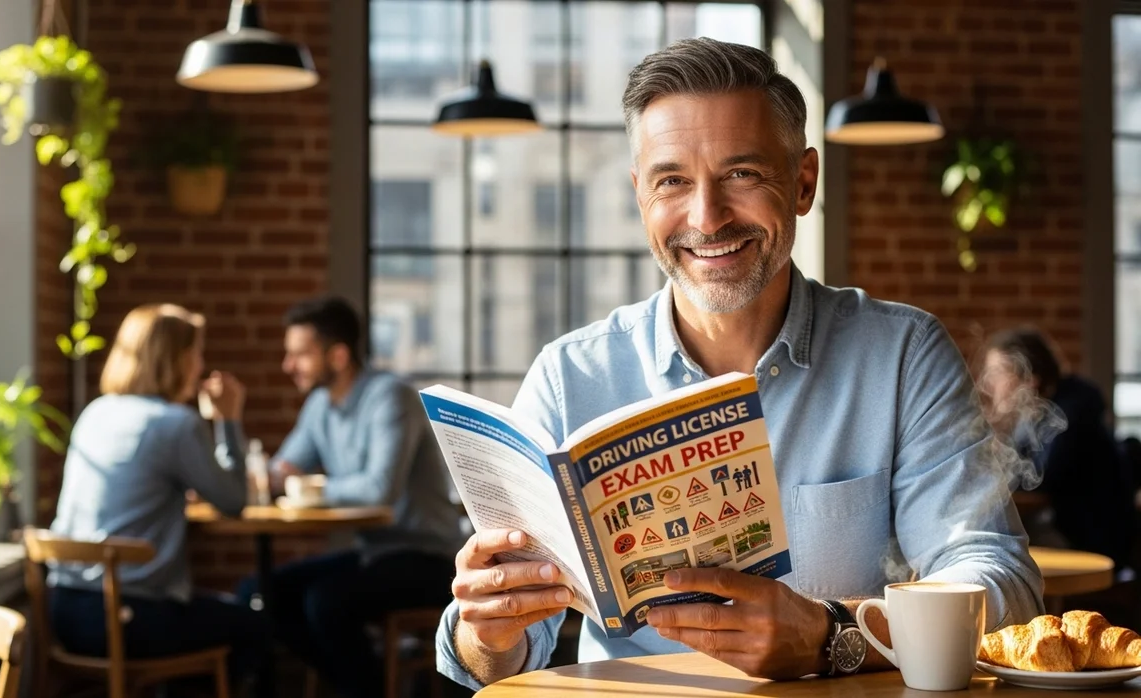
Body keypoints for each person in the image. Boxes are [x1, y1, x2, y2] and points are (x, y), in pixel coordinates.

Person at [435, 37, 1043, 689]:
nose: (707, 217)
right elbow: (491, 661)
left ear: (803, 182)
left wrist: (831, 634)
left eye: (742, 175)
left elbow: (1000, 585)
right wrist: (486, 630)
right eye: (672, 181)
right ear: (641, 195)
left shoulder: (900, 354)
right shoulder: (567, 377)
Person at [237, 296, 462, 698]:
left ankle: (367, 686)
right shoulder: (319, 405)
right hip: (372, 553)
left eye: (300, 355)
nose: (289, 366)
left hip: (426, 556)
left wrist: (306, 488)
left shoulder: (390, 397)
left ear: (338, 355)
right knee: (259, 591)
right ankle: (366, 681)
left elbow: (381, 491)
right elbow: (280, 472)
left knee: (326, 602)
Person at [48, 303, 270, 696]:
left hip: (63, 610)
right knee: (254, 627)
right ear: (178, 359)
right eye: (197, 353)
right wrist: (228, 419)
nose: (201, 366)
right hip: (125, 618)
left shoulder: (95, 413)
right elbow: (234, 500)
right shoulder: (175, 423)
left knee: (209, 616)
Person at [979, 327, 1135, 571]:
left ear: (1030, 376)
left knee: (1002, 553)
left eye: (997, 372)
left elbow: (1041, 478)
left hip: (1089, 538)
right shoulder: (1037, 412)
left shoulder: (1070, 412)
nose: (990, 382)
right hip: (1065, 525)